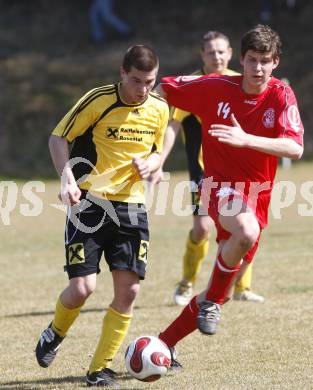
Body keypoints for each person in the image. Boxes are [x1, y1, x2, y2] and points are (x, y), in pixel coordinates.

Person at [155, 24, 303, 365]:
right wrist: (149, 148)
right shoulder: (214, 86)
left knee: (218, 293)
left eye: (265, 61)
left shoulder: (281, 95)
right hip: (219, 187)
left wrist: (246, 139)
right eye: (251, 60)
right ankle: (200, 303)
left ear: (276, 61)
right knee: (245, 232)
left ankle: (163, 343)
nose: (257, 69)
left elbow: (295, 147)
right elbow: (159, 89)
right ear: (241, 59)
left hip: (259, 197)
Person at [35, 45, 169, 388]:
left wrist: (151, 164)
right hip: (90, 204)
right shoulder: (98, 99)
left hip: (132, 207)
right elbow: (57, 138)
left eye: (150, 82)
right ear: (122, 73)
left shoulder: (158, 109)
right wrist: (66, 176)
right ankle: (55, 331)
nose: (143, 90)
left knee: (130, 291)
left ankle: (100, 369)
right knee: (82, 289)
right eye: (137, 81)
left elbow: (156, 152)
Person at [150, 31, 264, 306]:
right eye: (211, 52)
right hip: (204, 172)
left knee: (249, 227)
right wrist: (159, 161)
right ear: (202, 55)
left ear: (230, 54)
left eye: (222, 51)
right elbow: (173, 124)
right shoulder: (195, 84)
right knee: (202, 229)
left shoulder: (241, 81)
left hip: (238, 171)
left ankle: (242, 286)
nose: (217, 57)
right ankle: (187, 283)